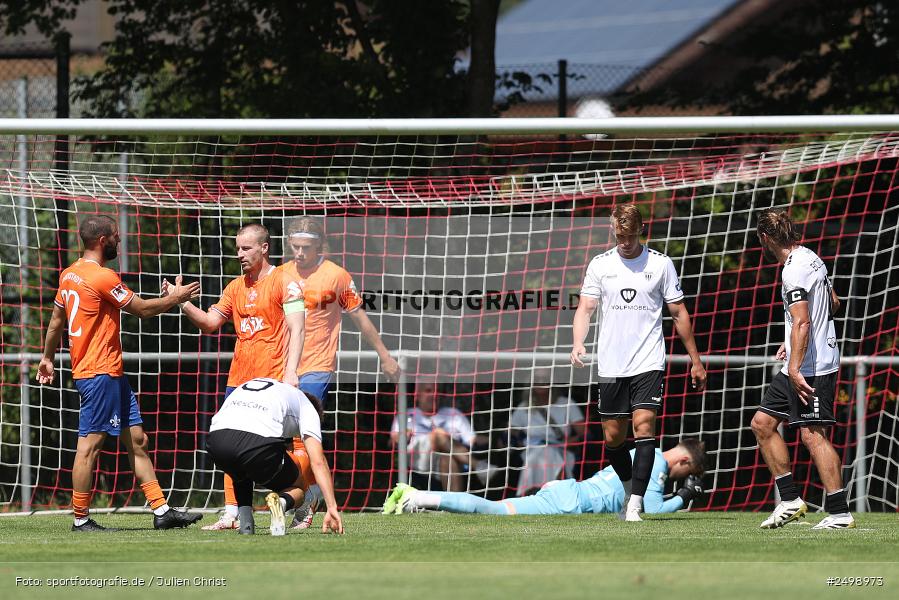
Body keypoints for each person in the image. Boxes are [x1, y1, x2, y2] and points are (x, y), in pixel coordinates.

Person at [36, 214, 204, 531]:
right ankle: (81, 519)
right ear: (103, 241)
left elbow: (57, 320)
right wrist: (176, 298)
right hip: (99, 373)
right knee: (89, 447)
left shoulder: (69, 274)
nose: (119, 239)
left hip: (110, 373)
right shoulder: (103, 277)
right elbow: (141, 310)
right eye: (115, 235)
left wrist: (47, 357)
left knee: (138, 440)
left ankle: (162, 511)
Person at [165, 223, 305, 531]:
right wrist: (181, 301)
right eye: (237, 248)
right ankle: (233, 514)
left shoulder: (285, 281)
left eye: (246, 248)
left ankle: (302, 503)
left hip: (274, 381)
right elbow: (210, 323)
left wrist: (291, 371)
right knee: (231, 448)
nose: (240, 254)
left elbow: (297, 327)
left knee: (292, 445)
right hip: (239, 384)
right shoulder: (234, 287)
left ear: (264, 248)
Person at [571, 204, 707, 522]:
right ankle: (629, 486)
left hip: (649, 360)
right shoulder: (600, 264)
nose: (625, 242)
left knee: (644, 426)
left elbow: (678, 313)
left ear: (641, 230)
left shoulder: (660, 264)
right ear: (613, 231)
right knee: (613, 437)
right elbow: (585, 308)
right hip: (611, 363)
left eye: (630, 236)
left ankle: (635, 503)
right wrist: (578, 342)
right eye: (620, 236)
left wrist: (696, 360)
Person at [283, 216, 400, 528]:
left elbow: (360, 318)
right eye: (295, 247)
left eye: (306, 247)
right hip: (283, 365)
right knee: (283, 439)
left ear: (319, 246)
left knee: (304, 437)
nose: (299, 253)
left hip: (318, 366)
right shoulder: (281, 275)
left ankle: (304, 504)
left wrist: (385, 356)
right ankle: (304, 495)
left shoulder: (336, 276)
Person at [751, 209, 853, 530]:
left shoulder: (793, 271)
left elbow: (803, 321)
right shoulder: (811, 257)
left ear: (765, 238)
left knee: (813, 436)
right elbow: (833, 302)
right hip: (802, 359)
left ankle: (840, 513)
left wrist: (795, 365)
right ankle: (791, 500)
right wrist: (791, 343)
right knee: (762, 424)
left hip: (811, 367)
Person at [383, 439, 706, 517]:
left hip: (567, 490)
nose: (681, 478)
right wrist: (684, 496)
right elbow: (652, 510)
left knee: (497, 508)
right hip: (570, 503)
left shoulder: (645, 452)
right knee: (493, 510)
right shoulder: (655, 468)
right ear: (683, 461)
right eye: (687, 473)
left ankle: (419, 499)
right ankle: (416, 496)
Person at [206, 378, 343, 535]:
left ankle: (246, 523)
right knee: (299, 486)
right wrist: (331, 506)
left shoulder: (274, 390)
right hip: (256, 444)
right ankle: (281, 503)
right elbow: (318, 461)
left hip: (215, 442)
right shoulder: (308, 408)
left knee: (240, 471)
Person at [508, 368, 585, 496]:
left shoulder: (567, 403)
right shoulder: (524, 407)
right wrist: (518, 442)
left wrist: (569, 442)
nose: (541, 381)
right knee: (542, 452)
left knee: (548, 452)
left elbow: (584, 433)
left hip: (562, 450)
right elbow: (510, 435)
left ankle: (537, 494)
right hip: (531, 451)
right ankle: (552, 494)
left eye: (545, 378)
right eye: (537, 379)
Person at [390, 380, 476, 492]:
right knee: (438, 434)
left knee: (447, 458)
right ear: (417, 395)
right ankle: (478, 465)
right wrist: (402, 436)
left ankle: (454, 503)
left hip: (448, 460)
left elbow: (472, 440)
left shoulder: (453, 414)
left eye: (437, 391)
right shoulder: (406, 415)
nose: (434, 394)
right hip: (419, 460)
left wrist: (491, 440)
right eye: (428, 391)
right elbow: (392, 441)